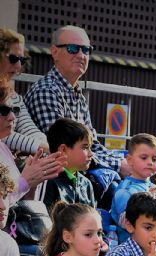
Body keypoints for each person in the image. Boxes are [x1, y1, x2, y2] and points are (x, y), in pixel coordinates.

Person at [24, 25, 127, 174]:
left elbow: (92, 145)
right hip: (55, 177)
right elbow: (63, 150)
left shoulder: (78, 93)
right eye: (73, 48)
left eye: (86, 50)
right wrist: (118, 166)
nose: (81, 55)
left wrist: (121, 162)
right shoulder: (46, 91)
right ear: (54, 52)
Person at [0, 77, 64, 208]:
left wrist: (34, 182)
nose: (12, 117)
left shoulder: (3, 149)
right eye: (4, 111)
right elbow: (3, 204)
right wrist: (25, 181)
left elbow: (22, 203)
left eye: (14, 110)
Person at [110, 133, 156, 243]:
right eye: (144, 158)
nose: (150, 162)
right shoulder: (125, 191)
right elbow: (126, 223)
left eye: (155, 159)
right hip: (129, 249)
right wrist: (148, 203)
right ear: (130, 160)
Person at [0, 27, 47, 155]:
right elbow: (3, 135)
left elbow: (28, 128)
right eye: (13, 59)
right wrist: (46, 148)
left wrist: (47, 146)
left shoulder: (14, 96)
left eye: (22, 60)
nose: (19, 66)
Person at [35, 118, 95, 208]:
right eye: (85, 147)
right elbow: (43, 220)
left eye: (90, 147)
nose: (91, 154)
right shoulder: (46, 181)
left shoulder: (86, 184)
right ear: (63, 149)